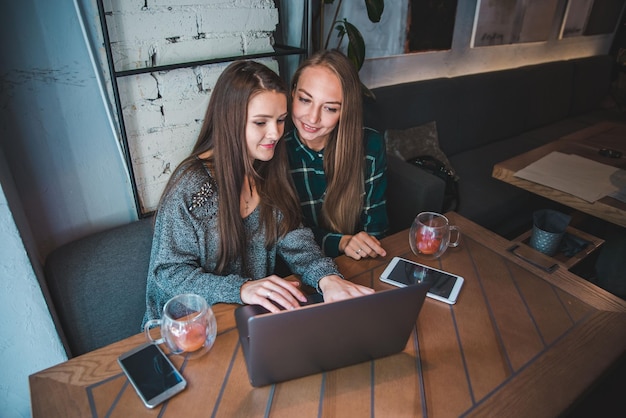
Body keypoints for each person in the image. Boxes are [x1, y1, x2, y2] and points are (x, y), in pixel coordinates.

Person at [143, 60, 373, 323]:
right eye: (261, 122)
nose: (275, 133)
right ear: (230, 121)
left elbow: (294, 238)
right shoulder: (192, 186)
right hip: (185, 331)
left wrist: (327, 278)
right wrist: (241, 289)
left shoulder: (266, 169)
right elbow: (169, 272)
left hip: (247, 320)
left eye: (280, 120)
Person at [285, 50, 389, 260]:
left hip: (357, 263)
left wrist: (364, 246)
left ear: (345, 111)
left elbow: (376, 229)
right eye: (305, 100)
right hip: (296, 272)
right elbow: (282, 237)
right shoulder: (275, 152)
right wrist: (341, 242)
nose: (313, 118)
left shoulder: (370, 147)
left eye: (330, 108)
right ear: (293, 93)